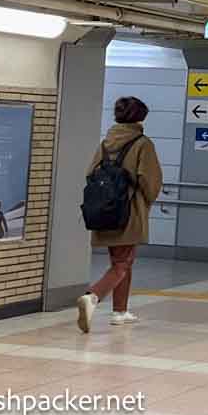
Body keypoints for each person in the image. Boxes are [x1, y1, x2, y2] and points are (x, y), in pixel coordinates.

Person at [76, 96, 163, 333]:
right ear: (141, 117)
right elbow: (150, 181)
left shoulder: (106, 143)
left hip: (105, 210)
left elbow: (89, 173)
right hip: (129, 211)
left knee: (122, 260)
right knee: (123, 262)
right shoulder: (143, 143)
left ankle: (120, 311)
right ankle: (92, 297)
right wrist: (145, 199)